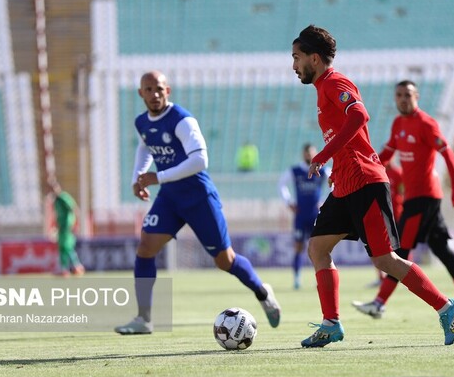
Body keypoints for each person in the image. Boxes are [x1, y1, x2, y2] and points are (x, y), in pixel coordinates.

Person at [291, 25, 454, 348]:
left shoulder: (335, 82)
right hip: (345, 183)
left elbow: (359, 116)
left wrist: (324, 156)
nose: (293, 65)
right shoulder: (322, 89)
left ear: (314, 58)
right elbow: (346, 135)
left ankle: (446, 306)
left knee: (386, 261)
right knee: (317, 249)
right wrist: (336, 166)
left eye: (297, 58)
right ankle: (331, 323)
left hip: (366, 182)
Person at [114, 70, 281, 334]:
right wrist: (138, 177)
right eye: (148, 89)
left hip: (198, 197)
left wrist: (158, 176)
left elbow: (200, 160)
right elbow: (145, 146)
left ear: (167, 90)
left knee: (224, 261)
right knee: (145, 247)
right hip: (170, 198)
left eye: (159, 89)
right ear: (140, 93)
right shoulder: (141, 122)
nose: (154, 94)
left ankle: (262, 291)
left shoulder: (181, 120)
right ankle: (143, 318)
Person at [352, 80, 454, 319]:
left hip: (423, 198)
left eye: (408, 95)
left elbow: (447, 152)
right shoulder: (398, 124)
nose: (403, 99)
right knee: (441, 249)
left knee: (400, 252)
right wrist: (363, 167)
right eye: (399, 95)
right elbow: (387, 155)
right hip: (419, 198)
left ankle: (379, 303)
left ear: (417, 97)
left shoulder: (425, 123)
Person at [278, 143, 330, 289]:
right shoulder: (295, 171)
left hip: (316, 215)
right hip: (300, 215)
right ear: (303, 154)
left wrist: (325, 202)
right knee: (298, 247)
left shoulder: (323, 170)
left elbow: (334, 183)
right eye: (307, 153)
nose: (309, 156)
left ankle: (320, 278)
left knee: (318, 248)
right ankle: (296, 279)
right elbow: (281, 184)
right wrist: (289, 202)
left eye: (311, 153)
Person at [367, 162, 404, 288]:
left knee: (401, 248)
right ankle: (381, 277)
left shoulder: (398, 172)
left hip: (396, 215)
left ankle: (403, 276)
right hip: (380, 215)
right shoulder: (376, 170)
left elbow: (403, 192)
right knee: (378, 248)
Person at [48, 179, 85, 277]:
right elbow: (57, 215)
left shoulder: (64, 198)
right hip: (61, 228)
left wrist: (76, 224)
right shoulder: (56, 201)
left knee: (68, 247)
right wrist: (55, 226)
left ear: (58, 188)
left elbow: (74, 209)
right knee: (62, 248)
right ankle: (64, 269)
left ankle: (77, 266)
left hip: (68, 227)